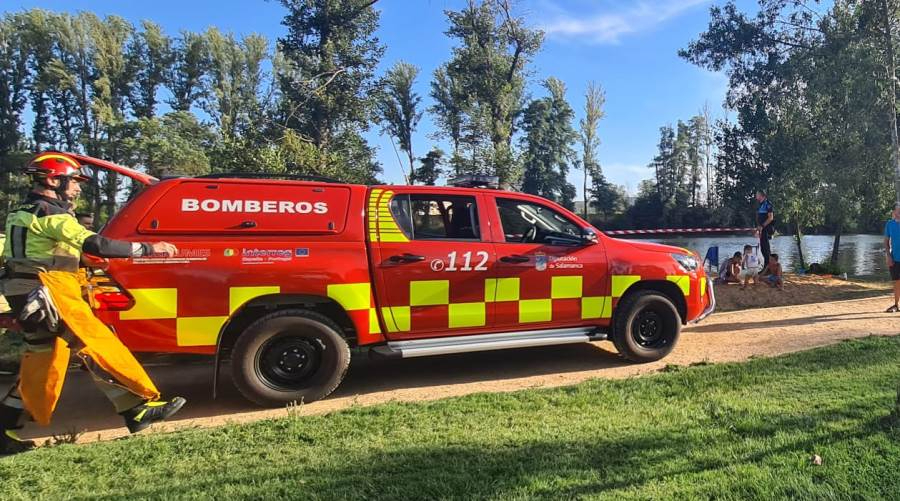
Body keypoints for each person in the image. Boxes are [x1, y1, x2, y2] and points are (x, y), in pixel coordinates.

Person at [0, 152, 186, 455]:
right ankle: (137, 407)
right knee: (92, 344)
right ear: (52, 179)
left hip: (28, 294)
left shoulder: (22, 210)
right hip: (45, 293)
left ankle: (2, 430)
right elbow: (96, 243)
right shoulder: (50, 212)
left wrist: (81, 262)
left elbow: (43, 252)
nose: (77, 189)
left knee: (44, 365)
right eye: (73, 182)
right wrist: (148, 248)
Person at [885, 203, 900, 313]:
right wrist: (888, 256)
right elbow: (886, 242)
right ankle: (896, 305)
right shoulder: (890, 224)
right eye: (898, 211)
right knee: (896, 282)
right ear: (894, 212)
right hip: (895, 259)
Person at [755, 190, 775, 269]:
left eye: (757, 194)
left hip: (766, 229)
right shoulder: (760, 204)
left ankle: (769, 268)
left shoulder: (768, 204)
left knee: (766, 249)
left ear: (762, 195)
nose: (756, 196)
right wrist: (758, 228)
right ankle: (766, 268)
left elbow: (770, 218)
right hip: (762, 229)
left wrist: (762, 226)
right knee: (763, 249)